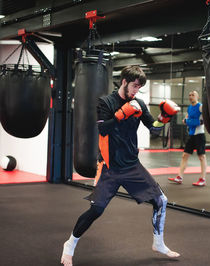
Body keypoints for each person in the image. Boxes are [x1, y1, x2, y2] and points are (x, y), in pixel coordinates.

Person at [61, 65, 181, 265]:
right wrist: (121, 113)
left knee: (161, 201)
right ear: (124, 81)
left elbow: (154, 130)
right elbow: (102, 128)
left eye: (139, 87)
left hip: (132, 166)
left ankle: (158, 243)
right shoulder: (106, 102)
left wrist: (163, 118)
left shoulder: (139, 104)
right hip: (109, 167)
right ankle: (69, 245)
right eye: (134, 86)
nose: (136, 91)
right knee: (96, 210)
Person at [168, 90, 207, 186]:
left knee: (201, 157)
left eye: (193, 95)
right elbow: (186, 120)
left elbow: (203, 121)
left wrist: (189, 121)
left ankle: (203, 179)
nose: (191, 96)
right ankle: (179, 177)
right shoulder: (190, 108)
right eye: (189, 95)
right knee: (185, 155)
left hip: (200, 135)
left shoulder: (201, 107)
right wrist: (190, 121)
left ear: (197, 97)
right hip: (192, 134)